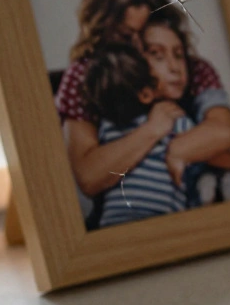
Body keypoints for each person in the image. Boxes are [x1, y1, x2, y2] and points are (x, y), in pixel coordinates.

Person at [54, 0, 230, 224]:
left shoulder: (192, 69)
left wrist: (177, 150)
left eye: (145, 34)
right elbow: (89, 175)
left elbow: (223, 133)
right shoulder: (85, 77)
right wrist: (153, 131)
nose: (138, 47)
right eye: (126, 37)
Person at [82, 43, 193, 226]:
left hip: (113, 222)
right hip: (162, 218)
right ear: (146, 94)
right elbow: (204, 143)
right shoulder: (170, 117)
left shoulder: (105, 128)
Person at [141, 13, 230, 206]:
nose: (175, 67)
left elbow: (225, 140)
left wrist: (178, 151)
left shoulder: (193, 96)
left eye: (179, 55)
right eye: (158, 56)